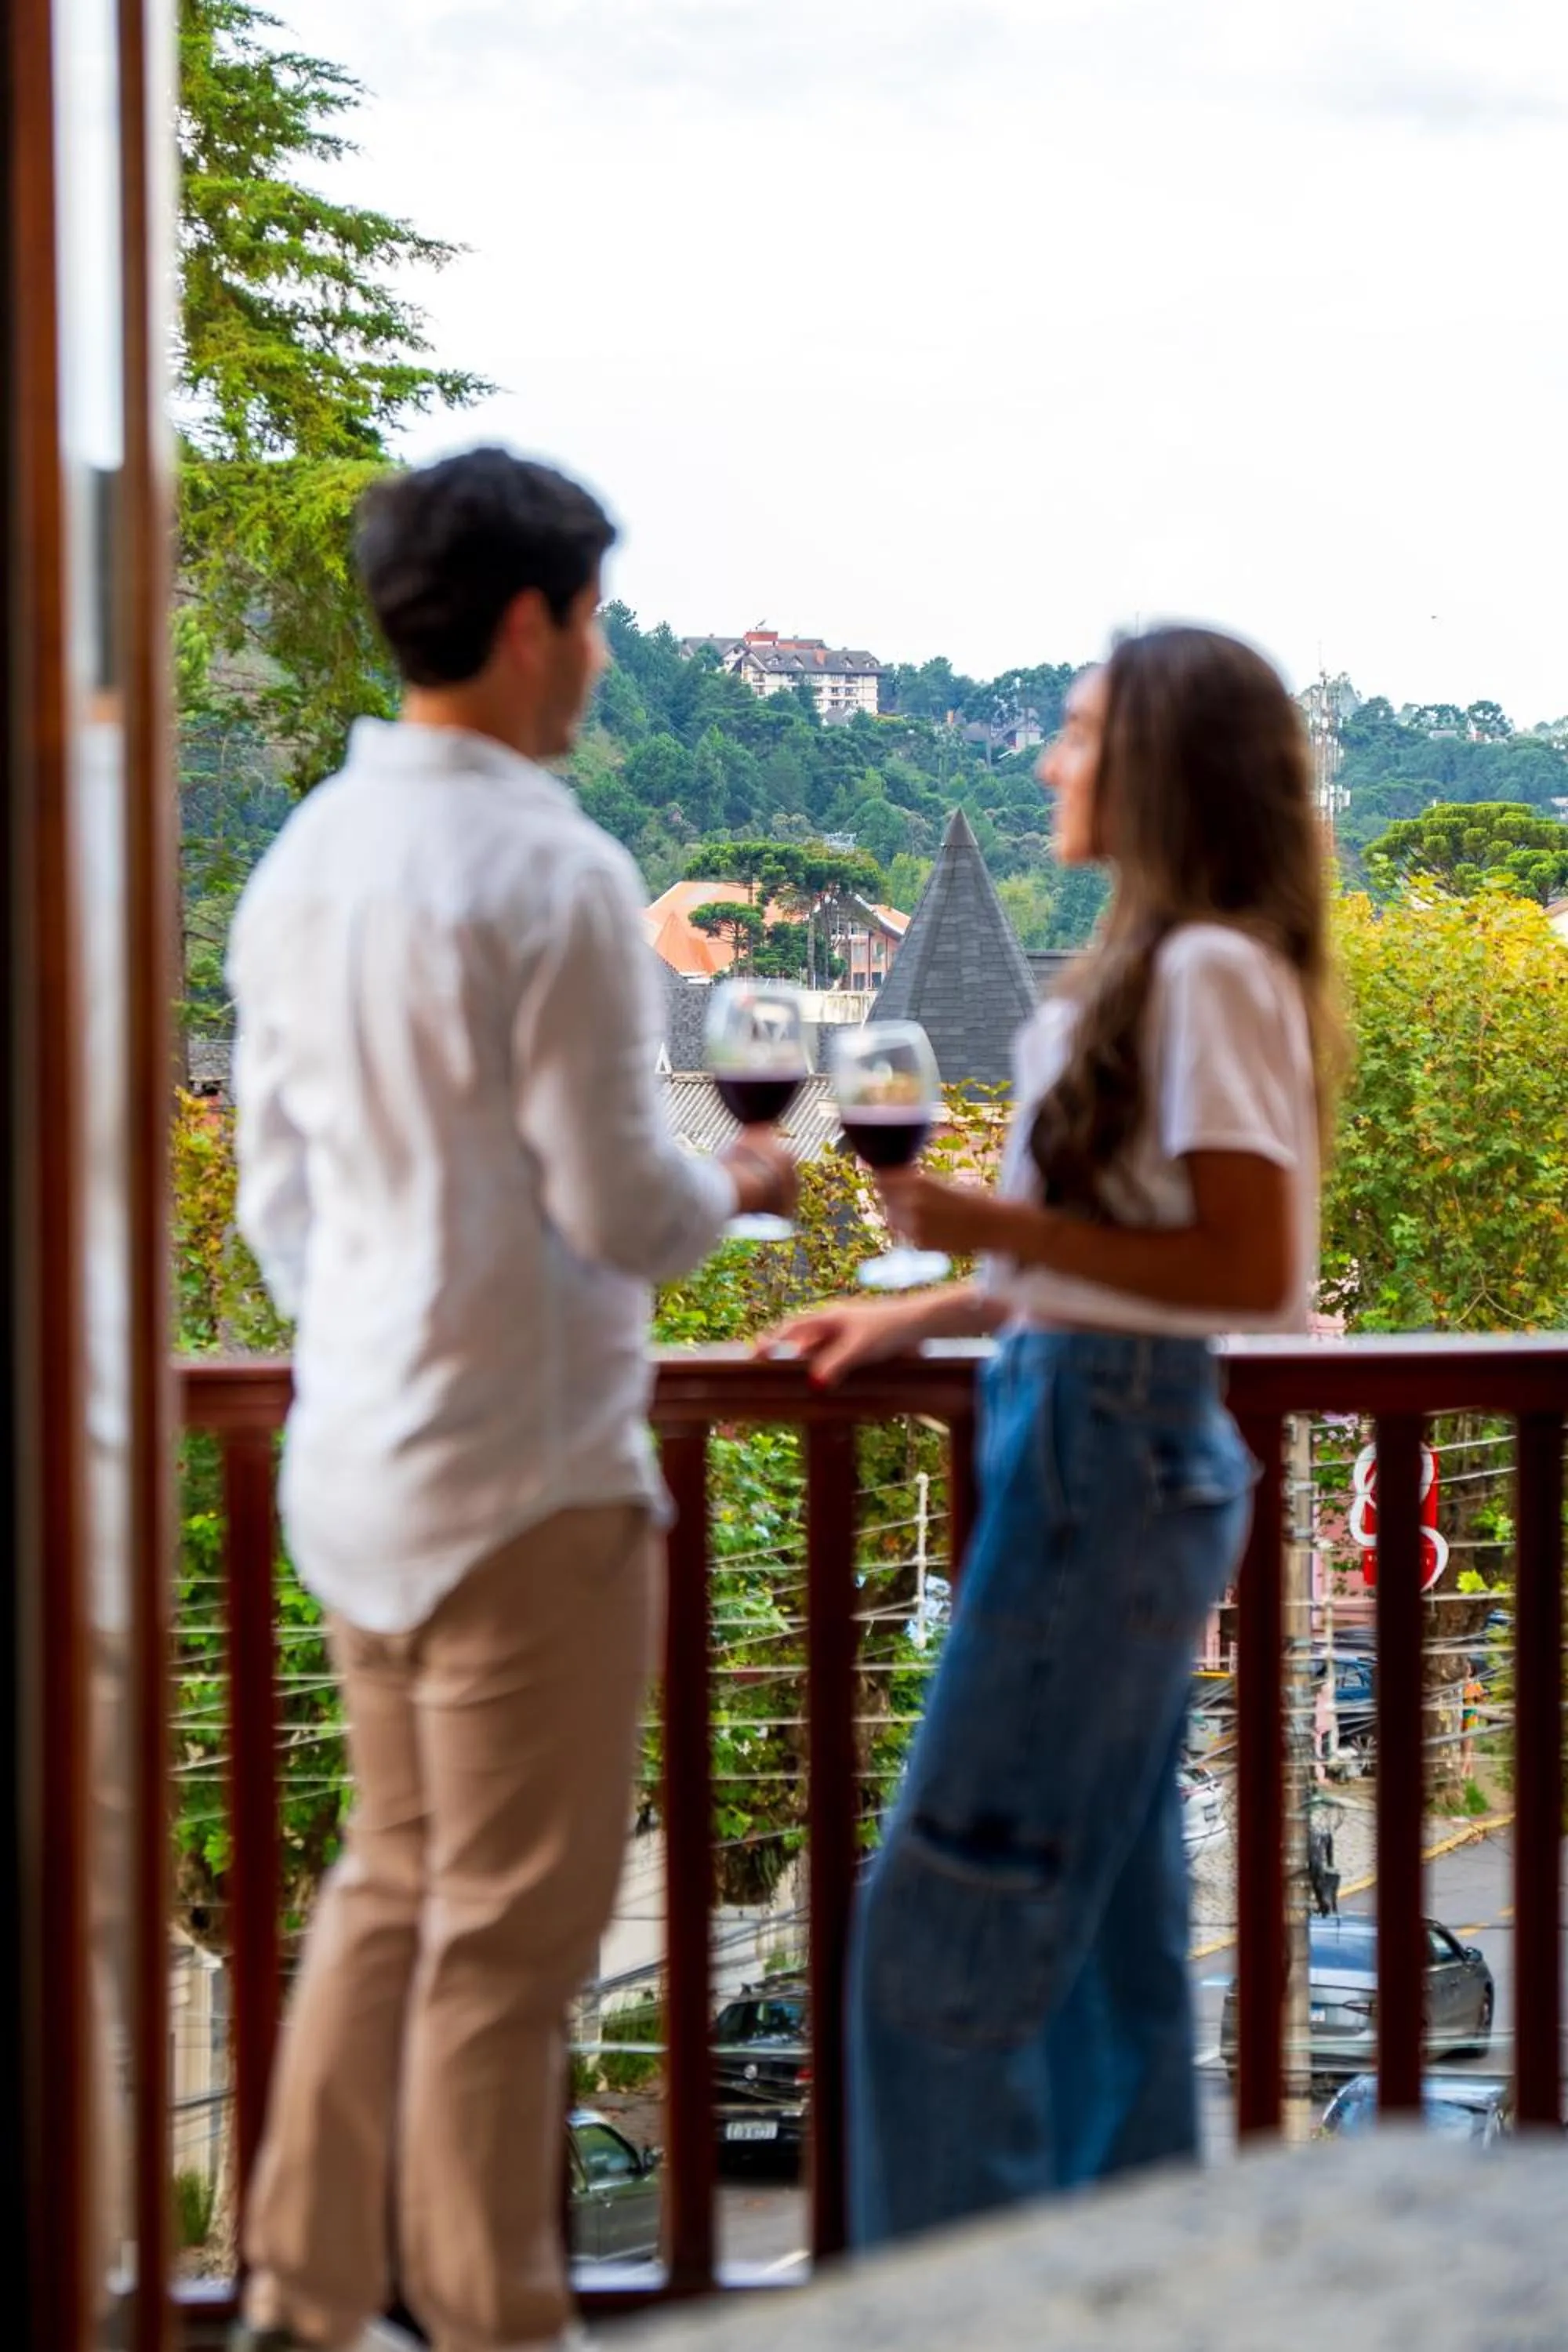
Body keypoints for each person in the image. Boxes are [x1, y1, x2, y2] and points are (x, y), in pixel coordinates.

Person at [227, 447, 795, 2352]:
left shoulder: (311, 853)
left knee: (391, 1894)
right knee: (511, 1951)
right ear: (538, 622)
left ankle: (298, 2310)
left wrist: (384, 1338)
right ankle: (494, 2327)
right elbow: (621, 1204)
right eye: (605, 621)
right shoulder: (552, 866)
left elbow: (276, 1198)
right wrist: (751, 1184)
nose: (608, 661)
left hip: (357, 1471)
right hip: (530, 1486)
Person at [768, 626, 1337, 2245]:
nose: (1047, 761)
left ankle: (948, 2317)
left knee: (939, 1931)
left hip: (1104, 1454)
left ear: (1154, 766)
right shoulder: (1160, 972)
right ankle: (1123, 2302)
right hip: (1087, 1432)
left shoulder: (1210, 973)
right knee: (1105, 1960)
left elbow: (1248, 1272)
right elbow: (1092, 1264)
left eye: (1078, 735)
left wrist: (951, 1219)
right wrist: (926, 1309)